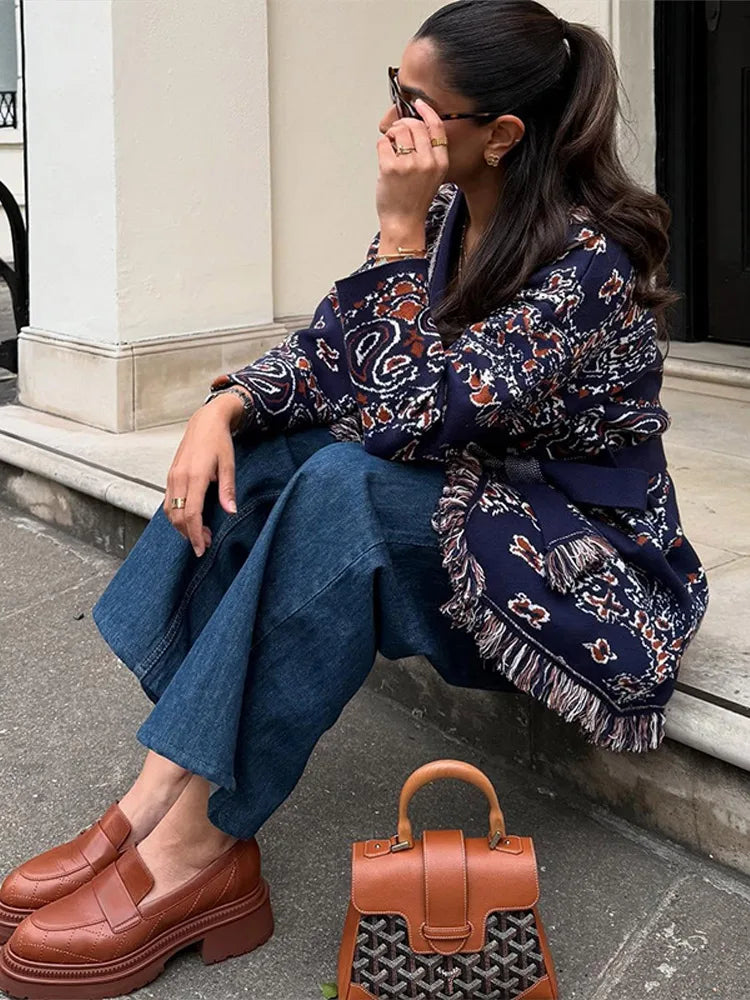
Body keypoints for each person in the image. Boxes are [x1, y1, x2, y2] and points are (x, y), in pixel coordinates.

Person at [0, 1, 708, 997]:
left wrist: (394, 229)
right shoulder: (462, 214)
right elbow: (341, 351)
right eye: (394, 91)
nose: (394, 125)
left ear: (501, 134)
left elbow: (413, 417)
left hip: (582, 576)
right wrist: (228, 408)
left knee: (346, 487)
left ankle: (194, 842)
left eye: (421, 107)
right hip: (481, 515)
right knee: (267, 451)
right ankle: (158, 792)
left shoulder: (591, 262)